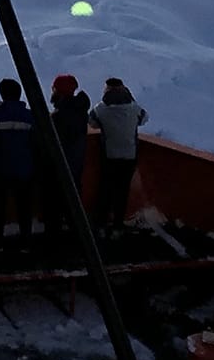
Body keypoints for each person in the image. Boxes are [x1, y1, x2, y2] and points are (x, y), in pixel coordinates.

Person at [0, 77, 39, 249]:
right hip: (24, 169)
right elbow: (38, 140)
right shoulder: (29, 116)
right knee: (24, 207)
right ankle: (26, 242)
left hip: (1, 168)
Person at [90, 77, 149, 232]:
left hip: (109, 155)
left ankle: (100, 222)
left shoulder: (100, 109)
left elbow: (92, 123)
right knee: (122, 191)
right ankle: (117, 223)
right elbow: (145, 119)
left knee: (105, 189)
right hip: (130, 155)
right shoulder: (134, 108)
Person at [48, 73, 92, 245]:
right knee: (73, 208)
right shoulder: (80, 113)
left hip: (60, 167)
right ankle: (78, 242)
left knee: (56, 208)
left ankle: (55, 243)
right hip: (76, 165)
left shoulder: (58, 116)